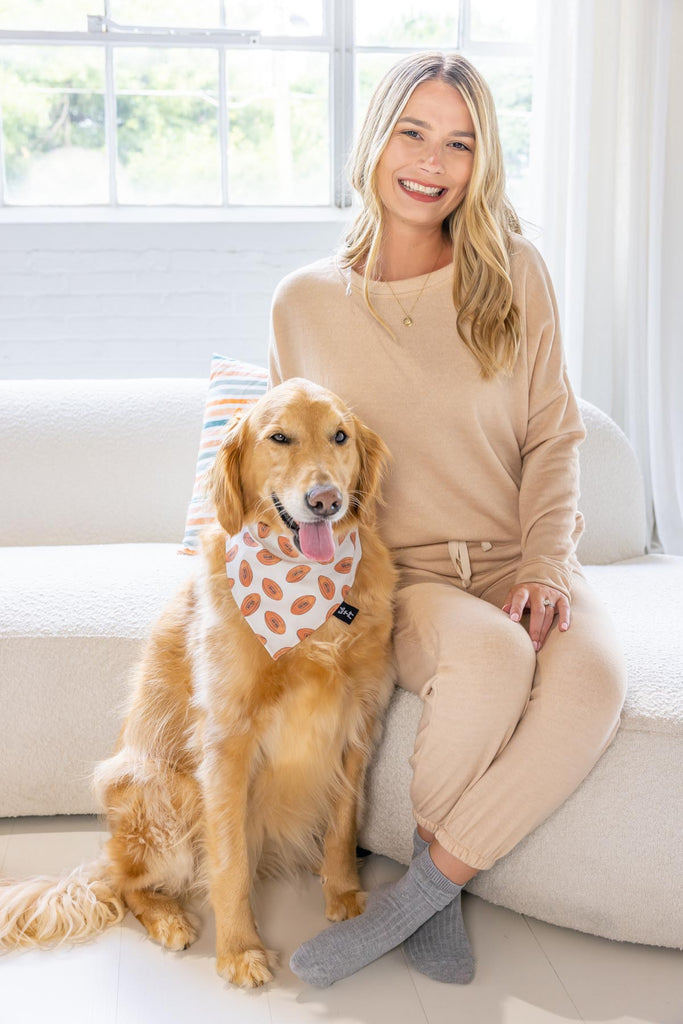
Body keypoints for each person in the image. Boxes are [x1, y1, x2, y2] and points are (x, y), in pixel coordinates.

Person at [268, 51, 627, 988]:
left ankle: (425, 890)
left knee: (593, 683)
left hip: (522, 554)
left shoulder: (513, 272)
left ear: (482, 160)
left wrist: (543, 566)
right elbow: (289, 461)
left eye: (460, 143)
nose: (432, 162)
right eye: (413, 133)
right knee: (492, 659)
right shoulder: (304, 301)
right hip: (405, 577)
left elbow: (553, 435)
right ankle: (440, 885)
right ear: (375, 140)